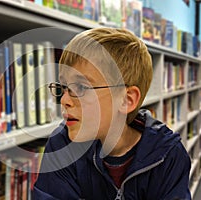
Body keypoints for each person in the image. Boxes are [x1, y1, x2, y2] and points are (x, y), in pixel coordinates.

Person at [33, 27, 191, 200]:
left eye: (81, 87)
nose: (64, 100)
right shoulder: (62, 146)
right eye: (63, 87)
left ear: (126, 100)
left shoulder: (168, 156)